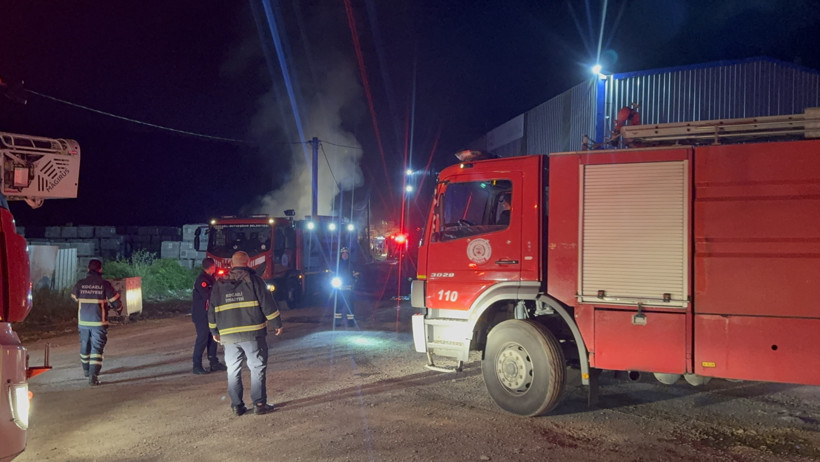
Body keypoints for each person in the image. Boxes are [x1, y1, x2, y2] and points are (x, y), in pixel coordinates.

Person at [209, 251, 283, 416]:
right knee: (257, 368)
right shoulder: (255, 281)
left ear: (231, 264)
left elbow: (212, 309)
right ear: (248, 263)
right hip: (252, 334)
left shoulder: (219, 284)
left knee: (233, 370)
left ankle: (237, 406)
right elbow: (267, 304)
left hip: (228, 336)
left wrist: (214, 331)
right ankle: (259, 404)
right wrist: (277, 323)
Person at [70, 259, 122, 386]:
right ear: (100, 270)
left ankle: (86, 371)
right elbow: (116, 301)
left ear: (88, 269)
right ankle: (93, 376)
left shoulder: (81, 283)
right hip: (98, 322)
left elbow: (73, 297)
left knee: (85, 345)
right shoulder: (104, 284)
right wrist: (119, 309)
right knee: (97, 348)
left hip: (83, 322)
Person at [191, 258, 226, 374]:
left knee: (213, 337)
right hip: (201, 315)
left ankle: (213, 362)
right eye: (214, 266)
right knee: (202, 339)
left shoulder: (211, 278)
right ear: (212, 267)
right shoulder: (202, 280)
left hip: (209, 314)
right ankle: (197, 366)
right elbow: (208, 296)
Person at [334, 247, 359, 327]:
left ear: (348, 255)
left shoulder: (351, 265)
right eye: (343, 254)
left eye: (346, 254)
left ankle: (351, 322)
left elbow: (356, 275)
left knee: (350, 306)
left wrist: (354, 280)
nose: (344, 255)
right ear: (341, 255)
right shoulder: (337, 265)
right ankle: (337, 322)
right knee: (338, 305)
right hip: (339, 288)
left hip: (349, 289)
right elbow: (333, 274)